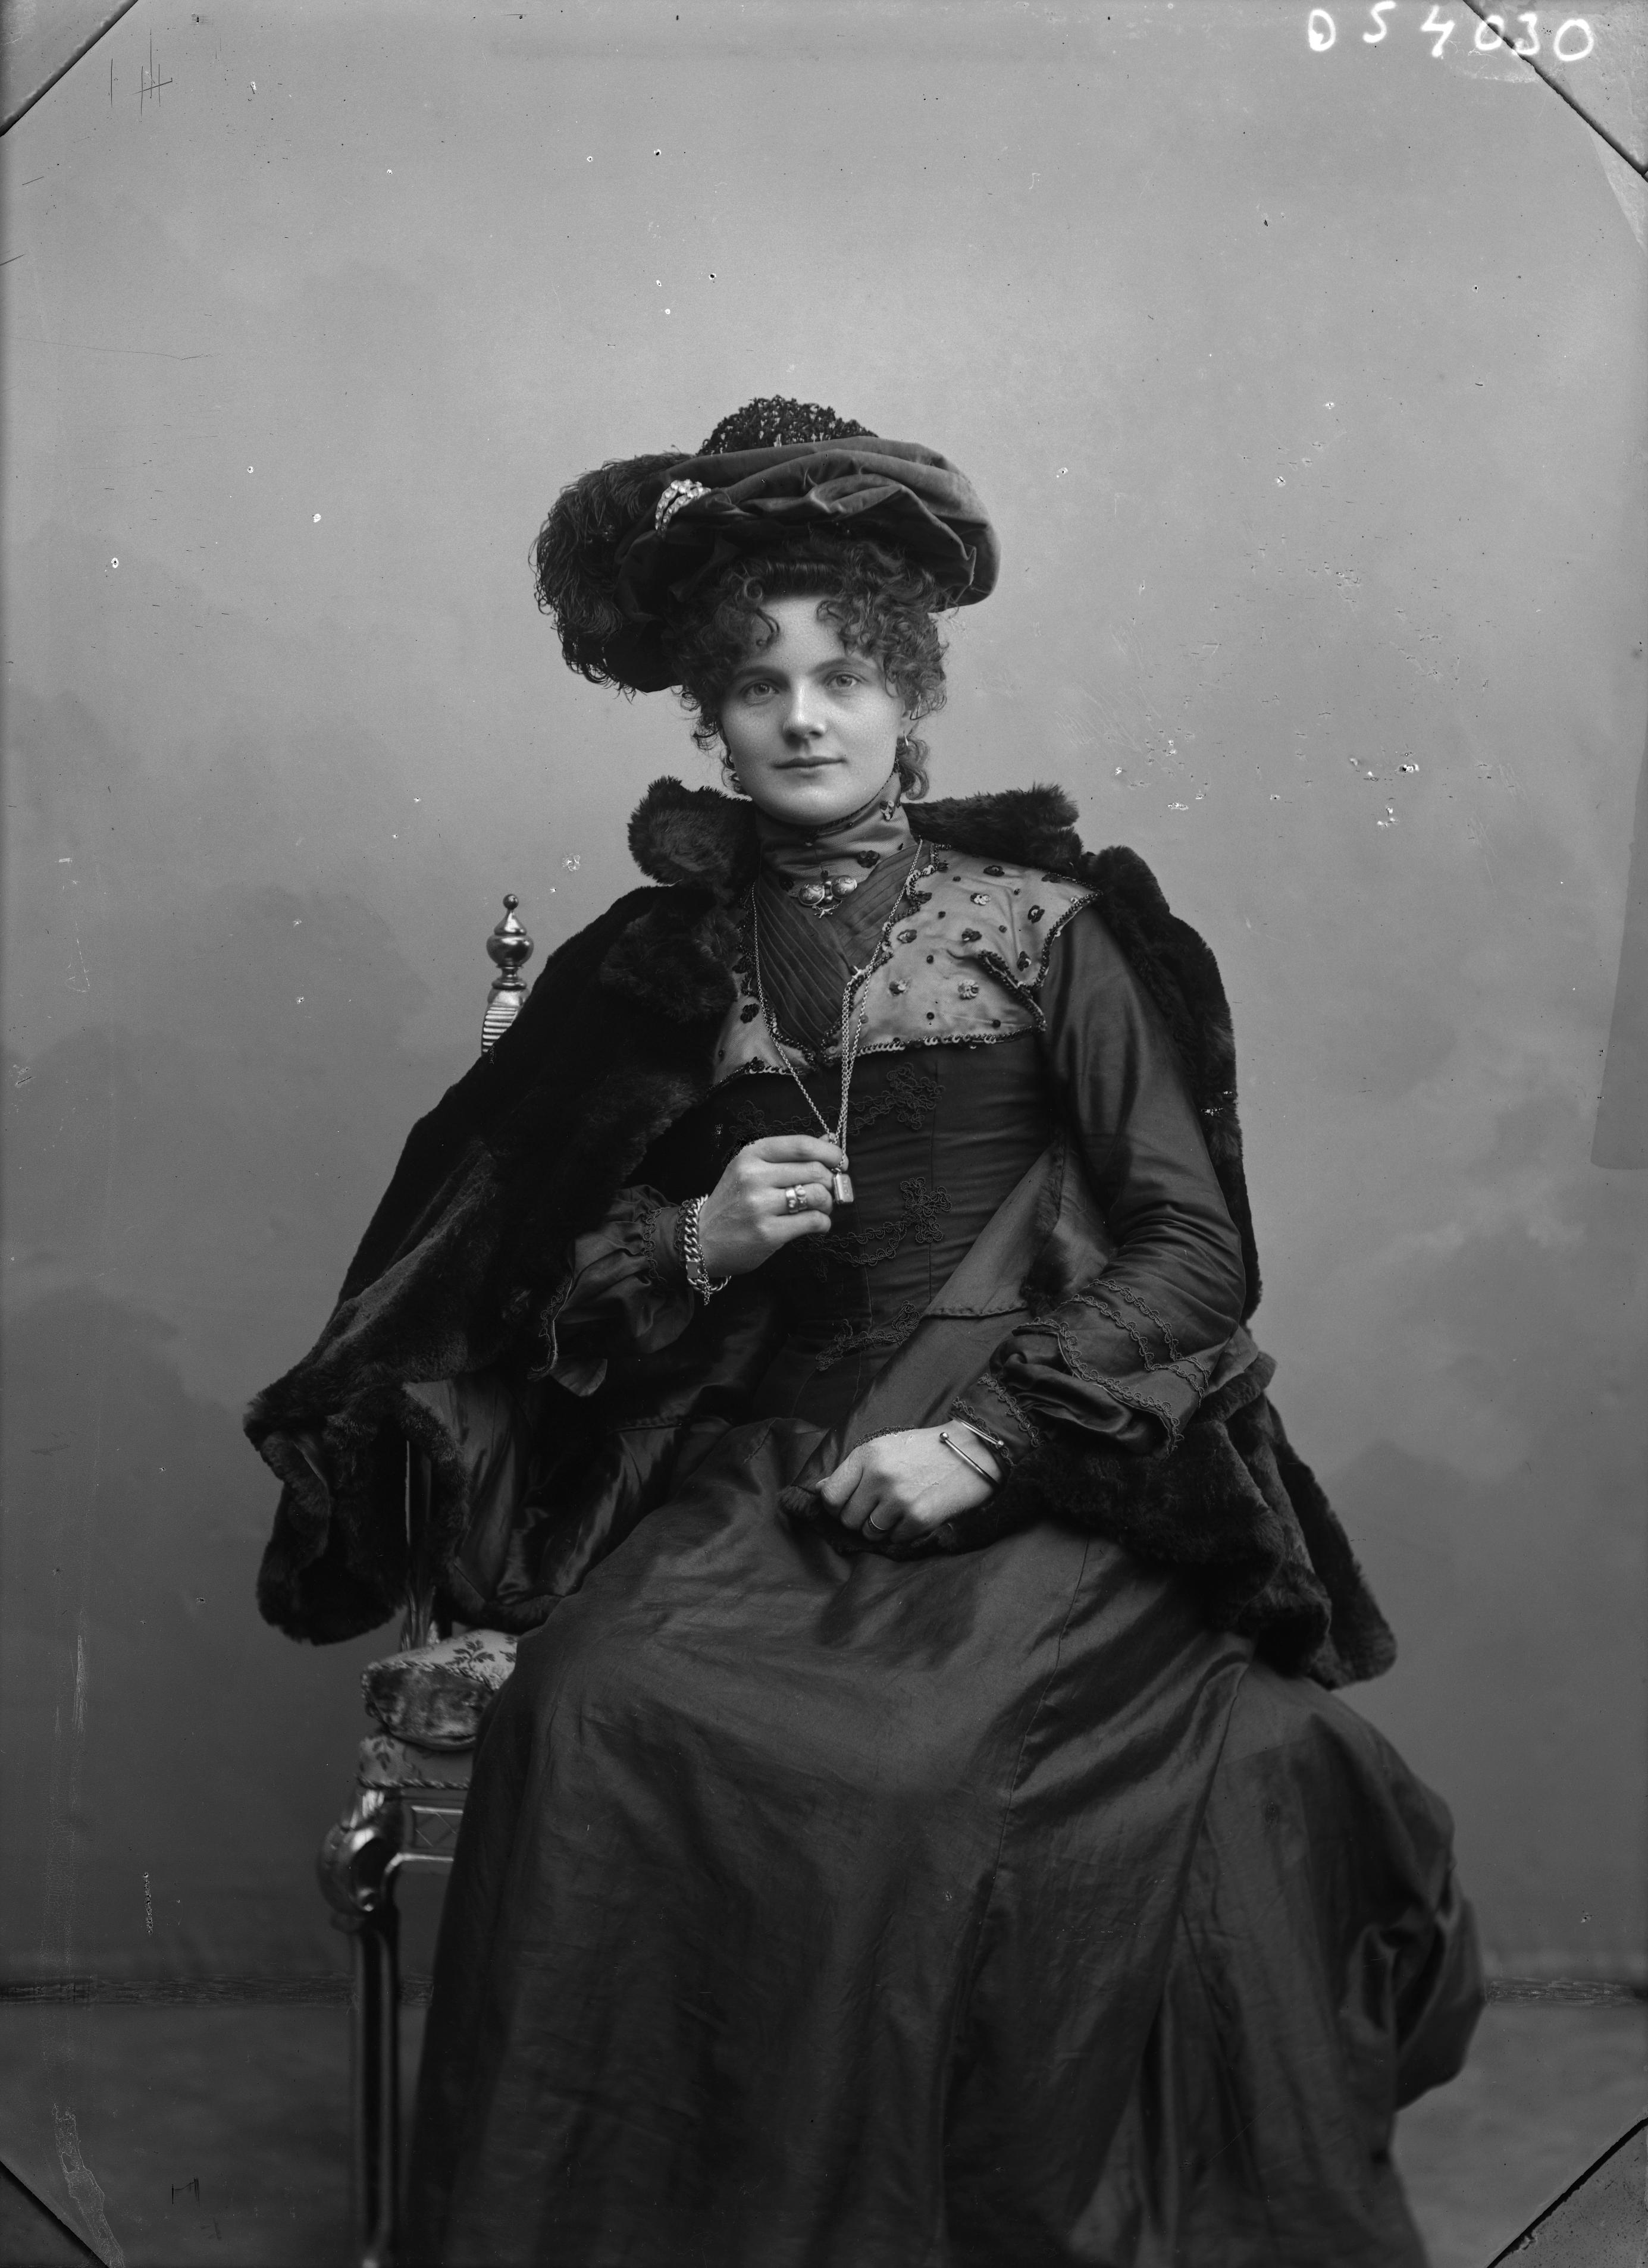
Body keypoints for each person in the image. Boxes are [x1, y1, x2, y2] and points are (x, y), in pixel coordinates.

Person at [247, 399, 1483, 2266]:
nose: (804, 719)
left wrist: (990, 1441)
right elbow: (496, 1277)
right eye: (758, 686)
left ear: (910, 696)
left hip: (1034, 1467)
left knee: (900, 1774)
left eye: (843, 678)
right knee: (591, 1710)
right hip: (755, 1466)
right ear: (708, 718)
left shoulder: (1049, 931)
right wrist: (694, 1238)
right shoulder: (653, 964)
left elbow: (1191, 1249)